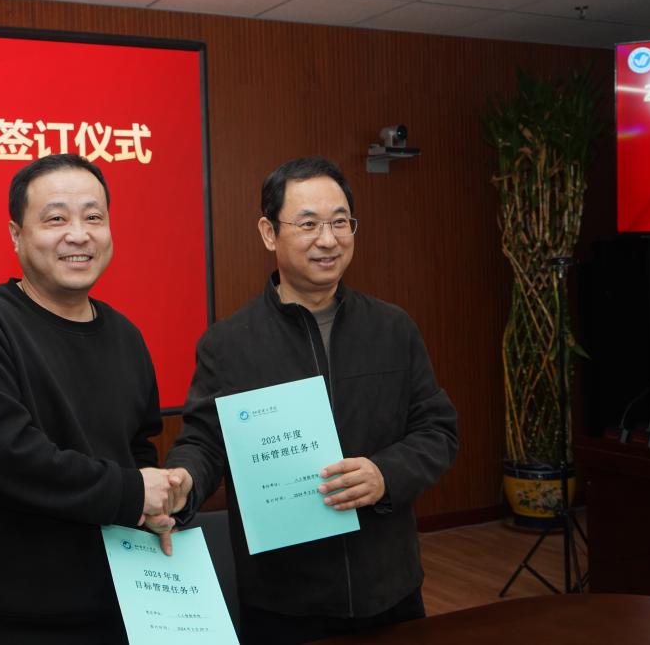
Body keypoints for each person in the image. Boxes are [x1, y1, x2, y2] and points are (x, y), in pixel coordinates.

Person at [153, 156, 458, 644]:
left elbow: (437, 430)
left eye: (340, 222)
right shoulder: (229, 344)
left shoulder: (392, 328)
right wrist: (183, 478)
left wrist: (385, 474)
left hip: (389, 587)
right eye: (309, 224)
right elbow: (206, 442)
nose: (328, 239)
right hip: (283, 601)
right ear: (269, 233)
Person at [0, 154, 178, 644]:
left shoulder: (126, 336)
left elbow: (138, 449)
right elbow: (5, 457)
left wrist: (159, 496)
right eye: (56, 218)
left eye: (94, 217)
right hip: (9, 619)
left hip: (121, 605)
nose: (79, 234)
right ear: (16, 235)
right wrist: (130, 492)